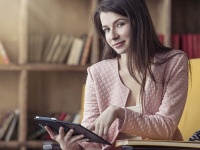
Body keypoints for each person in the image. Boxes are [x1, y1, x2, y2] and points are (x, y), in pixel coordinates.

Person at [45, 0, 189, 149]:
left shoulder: (174, 62)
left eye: (120, 24)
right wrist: (73, 147)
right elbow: (91, 138)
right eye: (106, 29)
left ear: (139, 22)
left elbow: (166, 128)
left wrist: (118, 112)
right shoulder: (97, 73)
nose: (112, 36)